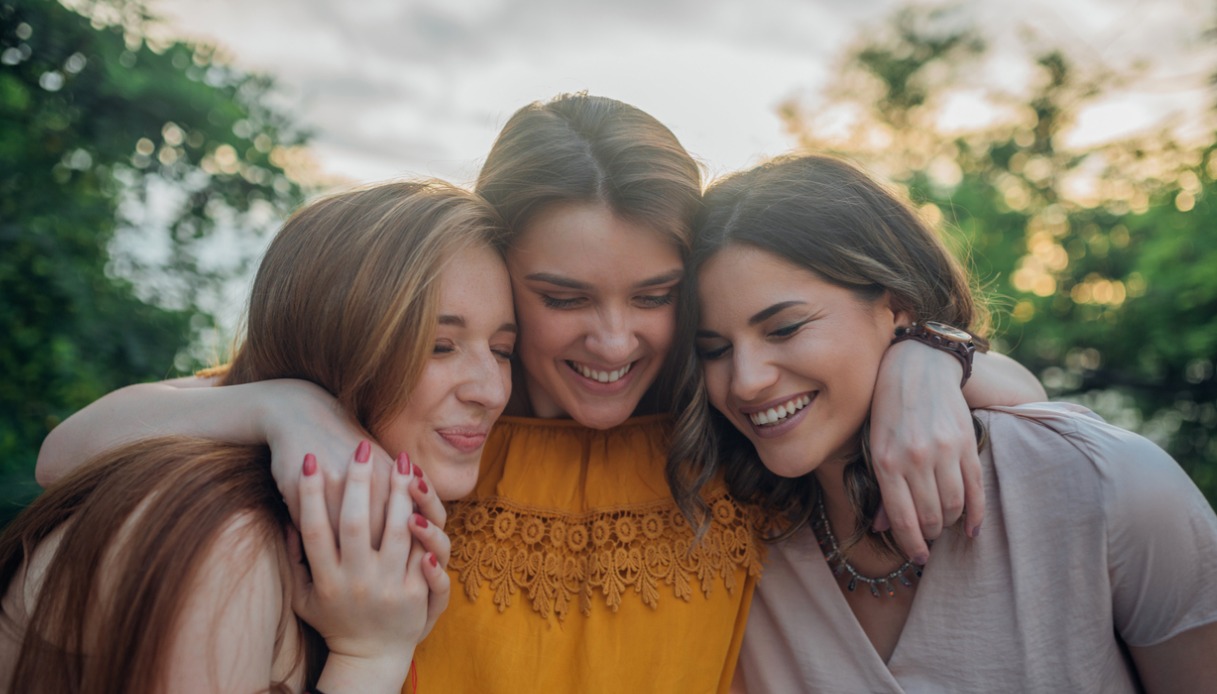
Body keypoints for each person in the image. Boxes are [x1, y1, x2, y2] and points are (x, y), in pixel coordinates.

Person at [36, 95, 1043, 693]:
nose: (613, 341)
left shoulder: (723, 408)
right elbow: (69, 452)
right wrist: (283, 405)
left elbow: (1024, 395)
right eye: (560, 299)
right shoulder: (429, 418)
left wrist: (923, 358)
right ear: (493, 268)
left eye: (652, 296)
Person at [672, 153, 1217, 693]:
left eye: (785, 328)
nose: (744, 381)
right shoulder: (722, 531)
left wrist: (936, 352)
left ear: (898, 305)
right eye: (714, 350)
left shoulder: (1103, 483)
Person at [8, 179, 515, 692]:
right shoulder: (229, 545)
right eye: (440, 346)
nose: (492, 391)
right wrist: (372, 657)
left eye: (502, 350)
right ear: (334, 345)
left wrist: (284, 404)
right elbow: (57, 457)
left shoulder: (325, 528)